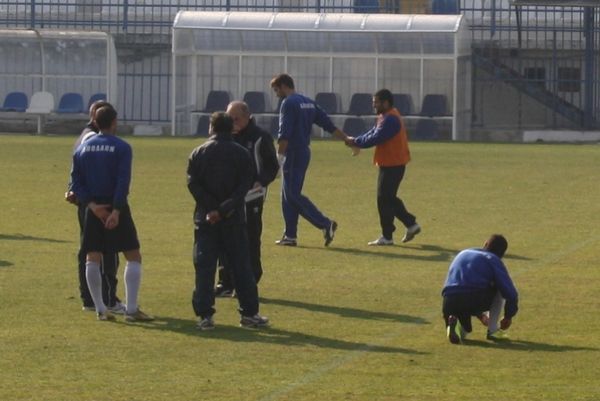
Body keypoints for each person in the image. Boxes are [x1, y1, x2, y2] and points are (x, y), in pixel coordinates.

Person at [70, 105, 153, 322]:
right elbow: (122, 181)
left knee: (92, 257)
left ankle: (100, 309)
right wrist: (116, 210)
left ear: (95, 122)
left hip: (93, 208)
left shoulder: (82, 148)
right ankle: (132, 309)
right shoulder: (122, 147)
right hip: (115, 205)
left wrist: (92, 206)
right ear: (114, 122)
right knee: (133, 254)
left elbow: (76, 183)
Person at [187, 111, 269, 330]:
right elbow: (243, 188)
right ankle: (249, 314)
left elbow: (193, 184)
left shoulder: (198, 153)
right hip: (233, 219)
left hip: (205, 219)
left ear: (211, 128)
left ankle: (205, 316)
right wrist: (224, 210)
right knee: (241, 266)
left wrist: (212, 209)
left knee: (204, 267)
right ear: (231, 128)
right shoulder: (242, 154)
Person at [270, 73, 349, 247]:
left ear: (284, 86)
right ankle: (290, 235)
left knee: (291, 194)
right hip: (304, 152)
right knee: (287, 195)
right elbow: (328, 124)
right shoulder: (308, 102)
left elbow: (285, 133)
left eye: (277, 90)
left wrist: (278, 159)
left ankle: (325, 223)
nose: (276, 94)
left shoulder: (288, 103)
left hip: (292, 153)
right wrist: (346, 139)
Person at [214, 101, 280, 297]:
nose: (233, 123)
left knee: (250, 237)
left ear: (247, 116)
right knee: (223, 238)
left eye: (236, 119)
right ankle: (225, 282)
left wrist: (261, 182)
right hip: (227, 196)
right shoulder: (223, 137)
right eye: (229, 119)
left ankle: (250, 281)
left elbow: (272, 167)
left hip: (252, 197)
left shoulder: (260, 136)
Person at [65, 100, 125, 314]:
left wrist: (71, 189)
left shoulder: (84, 136)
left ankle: (90, 298)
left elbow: (76, 168)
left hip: (85, 199)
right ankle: (107, 299)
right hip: (98, 201)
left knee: (88, 249)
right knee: (105, 250)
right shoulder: (95, 138)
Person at [345, 89, 421, 246]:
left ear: (386, 102)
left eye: (376, 102)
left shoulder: (391, 119)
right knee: (388, 198)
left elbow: (376, 137)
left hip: (394, 164)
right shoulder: (385, 116)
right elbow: (372, 133)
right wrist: (357, 140)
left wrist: (356, 142)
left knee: (384, 199)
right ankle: (410, 224)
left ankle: (388, 236)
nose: (374, 106)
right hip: (390, 163)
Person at [441, 234, 519, 344]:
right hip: (473, 298)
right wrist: (508, 316)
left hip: (449, 299)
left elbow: (463, 287)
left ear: (485, 244)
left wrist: (480, 315)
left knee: (465, 330)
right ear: (501, 254)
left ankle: (453, 327)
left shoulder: (463, 253)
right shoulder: (493, 259)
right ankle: (493, 330)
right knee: (500, 287)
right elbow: (510, 293)